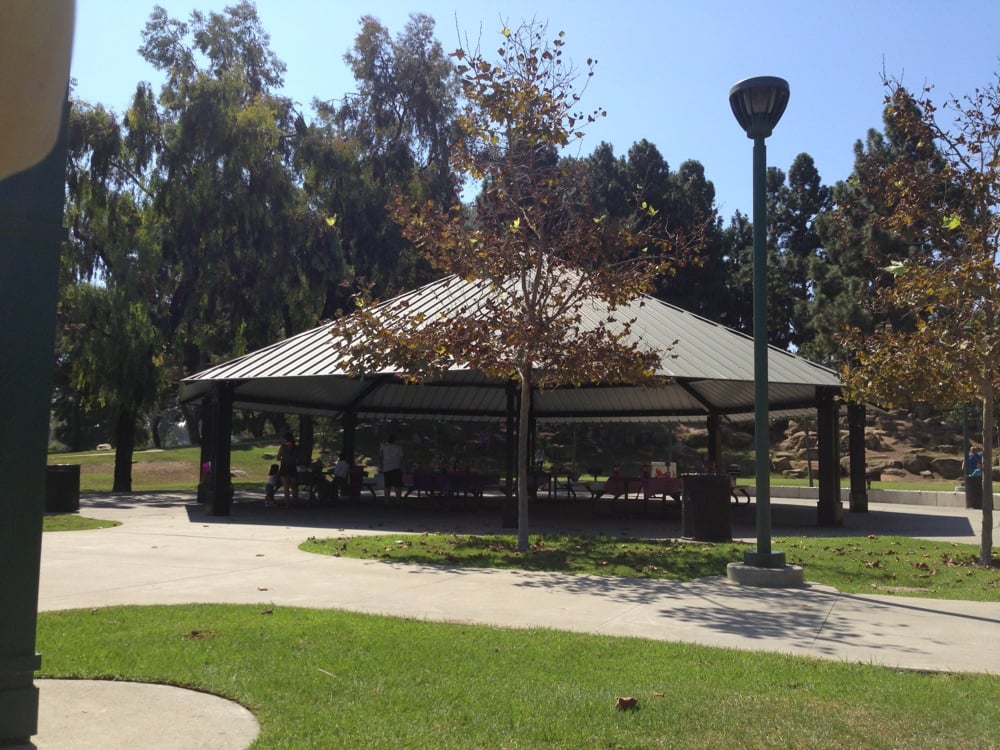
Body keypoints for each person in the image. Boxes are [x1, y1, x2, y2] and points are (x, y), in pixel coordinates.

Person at [379, 434, 404, 501]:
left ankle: (386, 501)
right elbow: (401, 458)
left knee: (387, 486)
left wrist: (381, 465)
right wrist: (402, 468)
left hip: (386, 468)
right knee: (398, 486)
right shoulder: (399, 448)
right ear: (395, 440)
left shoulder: (383, 447)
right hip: (396, 467)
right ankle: (398, 501)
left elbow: (381, 456)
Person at [277, 432, 299, 504]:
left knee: (286, 487)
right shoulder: (296, 448)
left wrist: (282, 458)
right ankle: (295, 502)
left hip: (284, 468)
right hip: (293, 467)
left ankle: (287, 503)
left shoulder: (282, 448)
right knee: (294, 487)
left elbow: (278, 457)